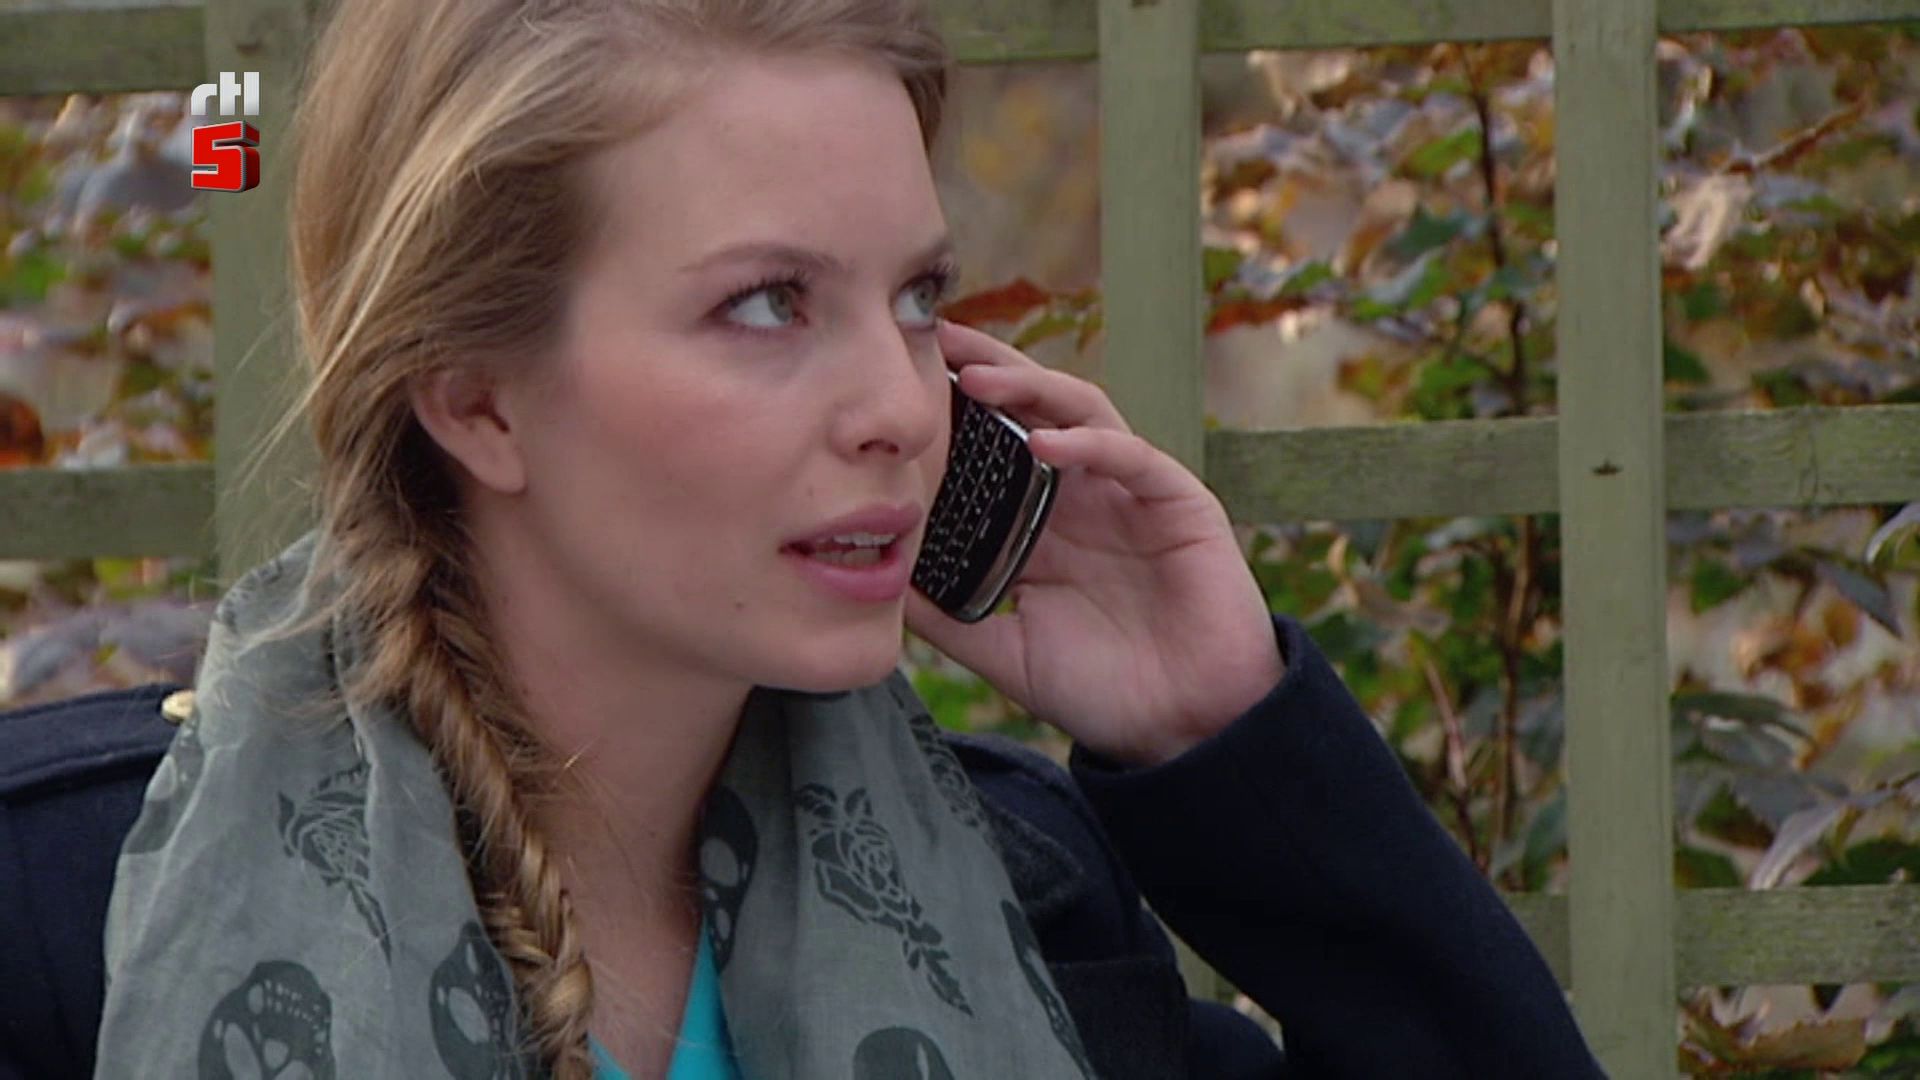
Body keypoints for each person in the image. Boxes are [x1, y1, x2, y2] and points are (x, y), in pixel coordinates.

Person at [14, 0, 1606, 1077]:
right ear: (475, 397)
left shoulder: (1023, 907)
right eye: (768, 304)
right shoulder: (77, 926)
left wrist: (1220, 733)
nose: (902, 408)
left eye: (916, 298)